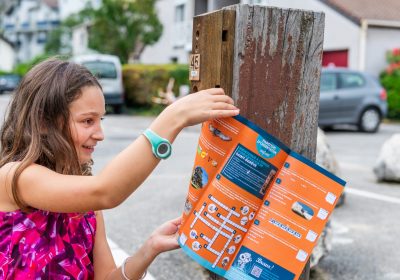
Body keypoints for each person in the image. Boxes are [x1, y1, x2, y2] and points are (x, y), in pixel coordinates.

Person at [0, 58, 239, 279]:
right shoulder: (15, 177)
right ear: (43, 121)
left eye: (100, 121)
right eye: (87, 121)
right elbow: (106, 191)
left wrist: (149, 249)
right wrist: (174, 118)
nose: (100, 134)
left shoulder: (87, 207)